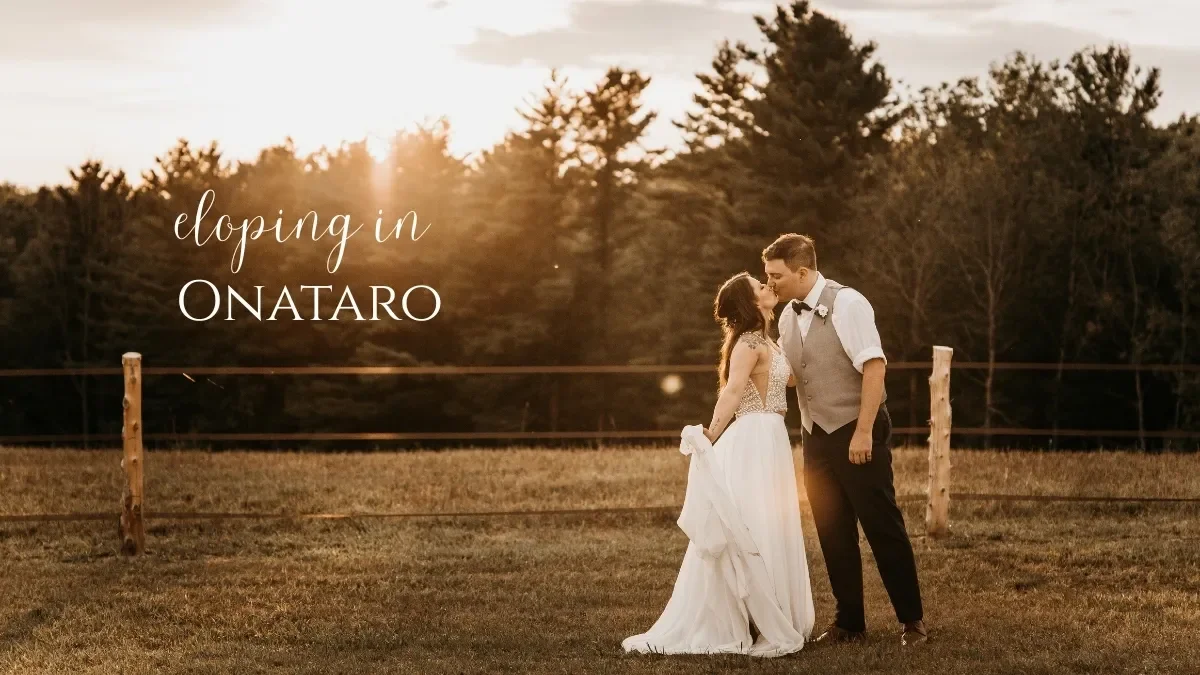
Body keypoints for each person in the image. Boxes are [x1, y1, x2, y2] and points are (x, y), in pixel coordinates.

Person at [622, 272, 815, 657]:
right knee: (749, 524)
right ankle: (743, 616)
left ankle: (769, 611)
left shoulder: (768, 343)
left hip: (773, 437)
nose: (767, 287)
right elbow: (731, 391)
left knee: (769, 523)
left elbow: (791, 381)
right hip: (753, 440)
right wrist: (710, 433)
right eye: (760, 287)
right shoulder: (747, 344)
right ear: (750, 302)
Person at [763, 233, 928, 646]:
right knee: (832, 530)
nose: (770, 285)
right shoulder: (785, 318)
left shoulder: (849, 303)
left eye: (776, 276)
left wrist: (864, 432)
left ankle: (912, 622)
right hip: (816, 436)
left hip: (859, 431)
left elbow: (874, 368)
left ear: (802, 271)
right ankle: (850, 623)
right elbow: (793, 376)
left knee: (881, 526)